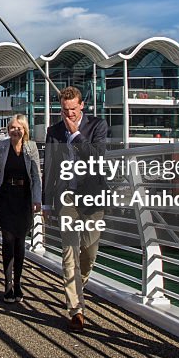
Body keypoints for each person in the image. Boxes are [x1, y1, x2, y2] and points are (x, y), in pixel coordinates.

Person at [43, 86, 108, 332]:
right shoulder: (53, 132)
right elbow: (49, 168)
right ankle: (76, 309)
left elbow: (97, 157)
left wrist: (76, 134)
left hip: (92, 198)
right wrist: (47, 202)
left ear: (82, 106)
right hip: (66, 198)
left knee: (89, 253)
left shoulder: (97, 126)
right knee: (69, 252)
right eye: (64, 110)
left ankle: (77, 287)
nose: (68, 114)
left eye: (72, 109)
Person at [0, 114, 42, 303]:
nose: (15, 130)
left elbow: (36, 176)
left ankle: (18, 284)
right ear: (8, 129)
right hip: (5, 197)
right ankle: (8, 284)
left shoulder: (31, 147)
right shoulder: (2, 147)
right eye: (12, 127)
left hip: (24, 199)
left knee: (20, 243)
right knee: (7, 240)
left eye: (19, 127)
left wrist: (37, 199)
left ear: (25, 130)